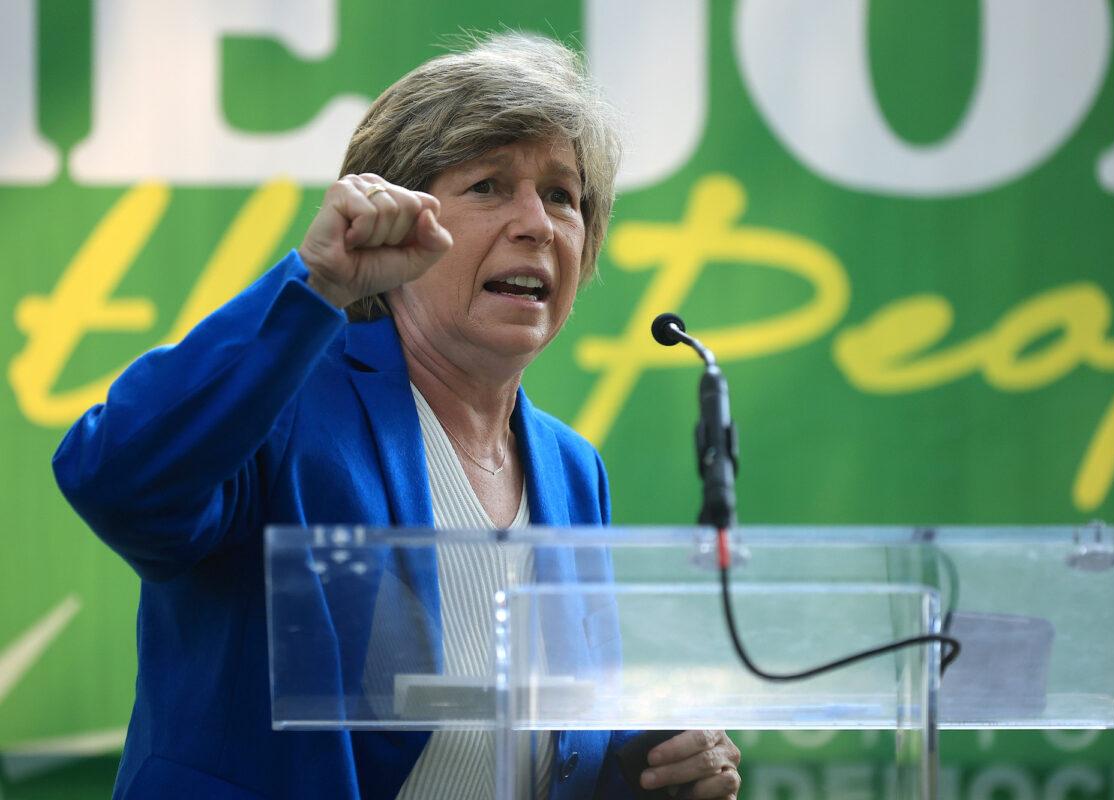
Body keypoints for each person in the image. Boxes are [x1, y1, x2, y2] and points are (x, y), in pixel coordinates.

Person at [52, 32, 741, 800]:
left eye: (562, 195)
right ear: (394, 219)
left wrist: (651, 767)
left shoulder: (573, 469)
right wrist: (312, 287)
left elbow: (544, 752)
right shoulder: (283, 406)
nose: (538, 224)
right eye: (487, 186)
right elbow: (116, 479)